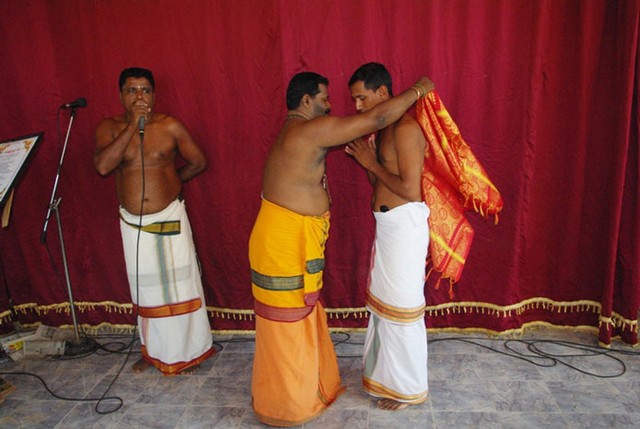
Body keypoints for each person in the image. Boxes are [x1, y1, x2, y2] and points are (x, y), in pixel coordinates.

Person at [249, 70, 433, 426]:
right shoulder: (307, 130)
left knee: (300, 318)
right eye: (325, 99)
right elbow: (376, 118)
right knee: (287, 325)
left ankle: (310, 388)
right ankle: (286, 405)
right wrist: (418, 90)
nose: (332, 107)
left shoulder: (301, 130)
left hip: (291, 239)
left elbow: (405, 183)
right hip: (283, 242)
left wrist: (370, 162)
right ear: (306, 101)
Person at [94, 67, 214, 376]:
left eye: (145, 90)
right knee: (146, 290)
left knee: (181, 286)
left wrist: (170, 184)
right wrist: (132, 127)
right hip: (133, 225)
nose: (139, 96)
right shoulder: (109, 128)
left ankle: (189, 352)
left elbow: (199, 161)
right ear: (121, 95)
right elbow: (103, 167)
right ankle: (152, 351)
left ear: (154, 95)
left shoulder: (170, 125)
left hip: (170, 216)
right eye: (132, 90)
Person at [345, 62, 431, 410]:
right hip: (388, 227)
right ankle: (385, 379)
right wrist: (367, 160)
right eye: (354, 100)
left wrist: (370, 163)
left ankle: (408, 389)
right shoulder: (382, 130)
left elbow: (410, 190)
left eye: (362, 98)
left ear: (383, 92)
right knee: (384, 306)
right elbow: (380, 181)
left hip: (405, 229)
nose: (358, 107)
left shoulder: (406, 129)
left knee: (402, 309)